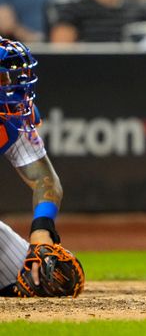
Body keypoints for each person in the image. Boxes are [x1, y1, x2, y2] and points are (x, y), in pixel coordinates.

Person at [0, 38, 84, 298]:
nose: (11, 87)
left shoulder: (9, 114)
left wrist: (42, 230)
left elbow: (44, 180)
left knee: (43, 280)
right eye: (3, 80)